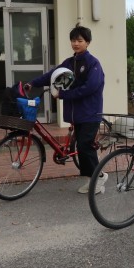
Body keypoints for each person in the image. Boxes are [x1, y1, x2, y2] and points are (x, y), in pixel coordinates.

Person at [25, 24, 106, 194]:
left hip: (91, 113)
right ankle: (93, 179)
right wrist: (33, 83)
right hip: (77, 114)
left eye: (80, 40)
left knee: (84, 146)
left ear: (87, 42)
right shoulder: (69, 63)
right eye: (73, 40)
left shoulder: (93, 63)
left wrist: (64, 95)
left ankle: (98, 178)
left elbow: (90, 87)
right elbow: (52, 75)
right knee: (82, 148)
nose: (76, 43)